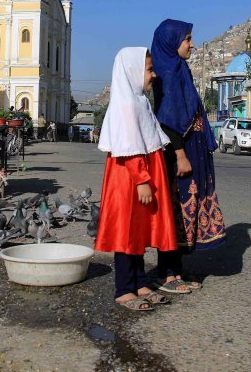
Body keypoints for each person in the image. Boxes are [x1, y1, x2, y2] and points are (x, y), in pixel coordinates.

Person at [95, 47, 179, 311]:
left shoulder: (139, 100)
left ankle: (140, 283)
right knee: (126, 232)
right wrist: (142, 178)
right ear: (132, 71)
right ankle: (123, 289)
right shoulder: (126, 104)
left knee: (138, 230)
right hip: (130, 177)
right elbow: (128, 144)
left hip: (141, 173)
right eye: (149, 69)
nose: (153, 75)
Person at [151, 19, 226, 294]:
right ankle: (166, 275)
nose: (192, 44)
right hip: (178, 149)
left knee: (186, 208)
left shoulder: (179, 68)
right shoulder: (167, 71)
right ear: (172, 42)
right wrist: (181, 154)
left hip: (192, 147)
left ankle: (175, 271)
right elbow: (168, 120)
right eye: (188, 39)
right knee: (175, 208)